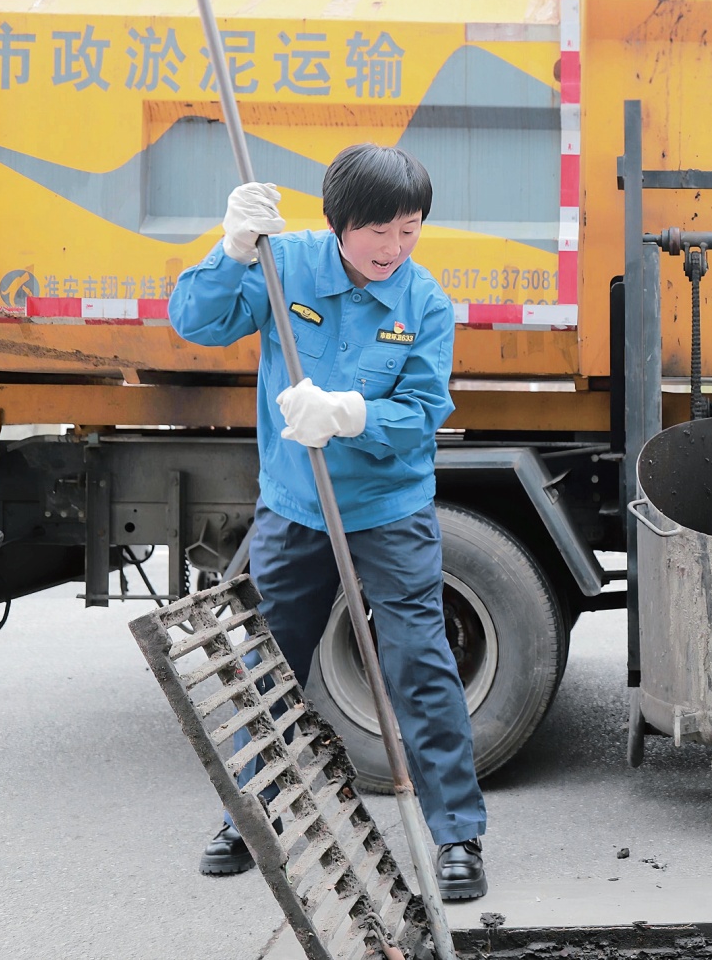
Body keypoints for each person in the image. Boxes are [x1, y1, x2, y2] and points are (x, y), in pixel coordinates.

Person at [168, 143, 487, 900]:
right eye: (378, 230)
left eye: (409, 229)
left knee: (419, 661)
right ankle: (249, 816)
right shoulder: (285, 264)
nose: (394, 247)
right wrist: (231, 250)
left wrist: (351, 413)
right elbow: (195, 323)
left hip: (389, 507)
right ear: (338, 223)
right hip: (295, 506)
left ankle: (457, 835)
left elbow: (422, 414)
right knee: (269, 666)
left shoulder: (425, 304)